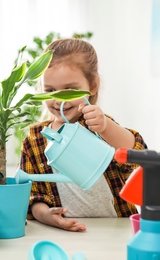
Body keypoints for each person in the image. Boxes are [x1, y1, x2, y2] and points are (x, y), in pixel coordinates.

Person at [20, 38, 147, 232]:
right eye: (50, 90)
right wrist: (46, 215)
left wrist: (105, 127)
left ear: (92, 86)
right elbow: (33, 194)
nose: (58, 100)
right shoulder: (35, 140)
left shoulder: (100, 125)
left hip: (115, 229)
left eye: (69, 90)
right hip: (63, 233)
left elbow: (137, 155)